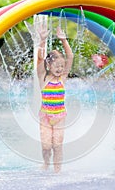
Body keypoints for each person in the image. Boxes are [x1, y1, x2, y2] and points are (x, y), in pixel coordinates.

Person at [37, 25, 74, 173]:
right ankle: (46, 163)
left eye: (62, 65)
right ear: (48, 65)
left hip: (59, 116)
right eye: (56, 65)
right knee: (46, 145)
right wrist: (42, 40)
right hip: (45, 116)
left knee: (57, 144)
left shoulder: (63, 78)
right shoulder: (43, 77)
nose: (60, 68)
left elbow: (70, 57)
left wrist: (63, 40)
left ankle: (57, 169)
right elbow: (40, 59)